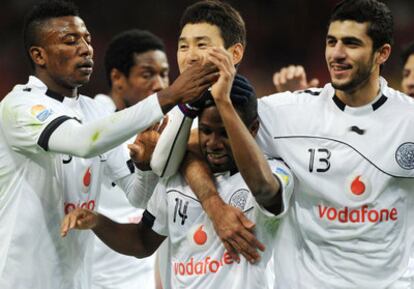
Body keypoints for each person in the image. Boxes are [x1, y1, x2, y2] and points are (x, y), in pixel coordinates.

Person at [153, 0, 414, 287]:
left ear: (382, 53)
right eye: (331, 42)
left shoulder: (407, 120)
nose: (336, 54)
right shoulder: (289, 113)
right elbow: (195, 145)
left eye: (351, 44)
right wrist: (214, 205)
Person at [0, 1, 219, 288]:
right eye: (70, 40)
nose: (85, 48)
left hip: (77, 281)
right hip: (20, 279)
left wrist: (144, 167)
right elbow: (81, 142)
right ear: (39, 55)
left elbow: (137, 196)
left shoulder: (93, 112)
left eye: (87, 39)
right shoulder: (19, 106)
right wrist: (170, 95)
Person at [61, 61, 294, 289]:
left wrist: (223, 100)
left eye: (225, 133)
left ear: (252, 129)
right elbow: (142, 242)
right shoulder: (176, 176)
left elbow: (265, 190)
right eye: (206, 131)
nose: (213, 143)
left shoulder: (275, 172)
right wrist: (97, 221)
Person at [92, 29, 169, 289]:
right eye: (147, 74)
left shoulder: (164, 131)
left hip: (141, 278)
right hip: (93, 278)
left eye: (164, 73)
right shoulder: (93, 123)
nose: (159, 84)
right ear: (118, 78)